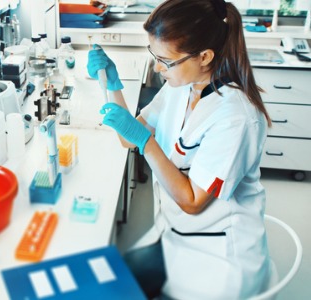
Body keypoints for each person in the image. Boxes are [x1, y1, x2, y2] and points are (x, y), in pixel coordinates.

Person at [87, 0, 272, 298]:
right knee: (100, 286)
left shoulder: (236, 118)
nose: (158, 68)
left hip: (217, 258)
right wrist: (111, 83)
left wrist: (147, 143)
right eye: (154, 55)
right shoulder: (181, 86)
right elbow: (129, 137)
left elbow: (192, 201)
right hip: (174, 236)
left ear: (204, 56)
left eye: (166, 61)